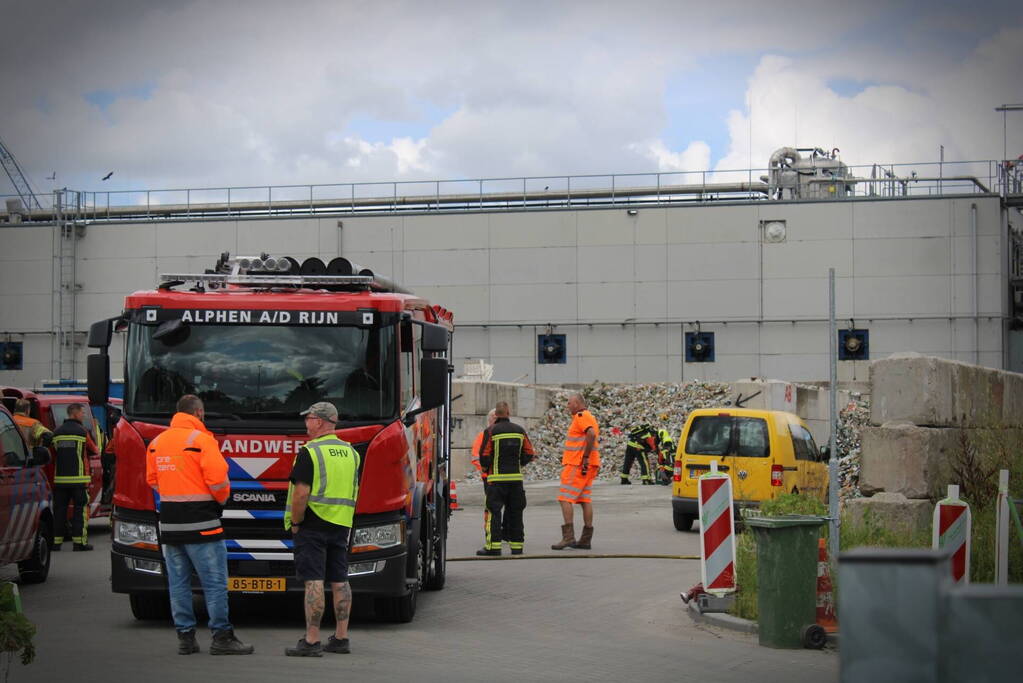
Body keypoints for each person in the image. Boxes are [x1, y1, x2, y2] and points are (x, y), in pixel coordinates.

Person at [146, 394, 253, 656]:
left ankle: (186, 638)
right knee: (214, 583)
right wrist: (218, 501)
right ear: (199, 413)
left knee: (178, 583)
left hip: (170, 524)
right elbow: (218, 480)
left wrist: (175, 495)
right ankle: (221, 637)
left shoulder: (157, 442)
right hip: (203, 523)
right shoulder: (202, 440)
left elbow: (152, 480)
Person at [284, 401, 360, 657]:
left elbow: (300, 494)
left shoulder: (310, 452)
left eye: (309, 418)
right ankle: (341, 637)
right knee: (340, 580)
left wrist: (295, 523)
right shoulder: (352, 452)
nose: (306, 423)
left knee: (313, 582)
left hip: (313, 523)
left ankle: (312, 641)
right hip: (341, 524)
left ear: (319, 421)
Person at [476, 402, 535, 556]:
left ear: (496, 415)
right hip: (516, 480)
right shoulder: (519, 430)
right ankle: (517, 547)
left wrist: (487, 468)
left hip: (496, 480)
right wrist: (519, 463)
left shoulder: (490, 431)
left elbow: (484, 456)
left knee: (493, 512)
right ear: (508, 412)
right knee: (516, 512)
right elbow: (529, 453)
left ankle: (493, 547)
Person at [551, 393, 600, 550]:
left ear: (578, 404)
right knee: (585, 500)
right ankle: (586, 539)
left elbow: (591, 434)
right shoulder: (588, 416)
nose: (567, 405)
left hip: (577, 464)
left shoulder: (581, 416)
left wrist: (584, 457)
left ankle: (568, 537)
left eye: (569, 403)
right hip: (587, 464)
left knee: (564, 498)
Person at [51, 402, 97, 551]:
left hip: (60, 480)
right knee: (80, 511)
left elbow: (54, 453)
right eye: (82, 413)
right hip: (79, 480)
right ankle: (79, 543)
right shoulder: (82, 432)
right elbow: (94, 450)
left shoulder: (56, 432)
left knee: (59, 511)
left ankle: (56, 543)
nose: (83, 415)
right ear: (75, 413)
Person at [470, 409, 498, 547]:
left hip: (502, 477)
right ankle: (489, 532)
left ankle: (504, 533)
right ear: (489, 419)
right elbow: (475, 457)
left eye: (497, 416)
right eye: (493, 416)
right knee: (491, 507)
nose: (495, 418)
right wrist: (486, 471)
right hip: (489, 478)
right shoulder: (483, 436)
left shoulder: (503, 434)